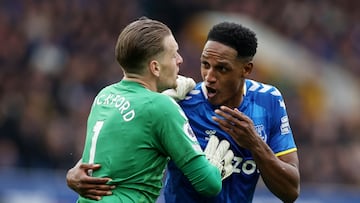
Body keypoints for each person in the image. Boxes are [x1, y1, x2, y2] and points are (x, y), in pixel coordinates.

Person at [66, 21, 300, 203]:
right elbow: (125, 138)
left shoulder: (268, 101)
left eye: (222, 69)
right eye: (205, 64)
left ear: (246, 69)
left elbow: (291, 192)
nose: (209, 77)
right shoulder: (181, 101)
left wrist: (255, 144)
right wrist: (77, 171)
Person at [69, 16, 235, 203]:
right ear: (155, 67)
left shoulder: (104, 96)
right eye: (174, 55)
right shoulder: (162, 108)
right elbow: (208, 184)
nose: (180, 60)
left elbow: (110, 157)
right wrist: (214, 166)